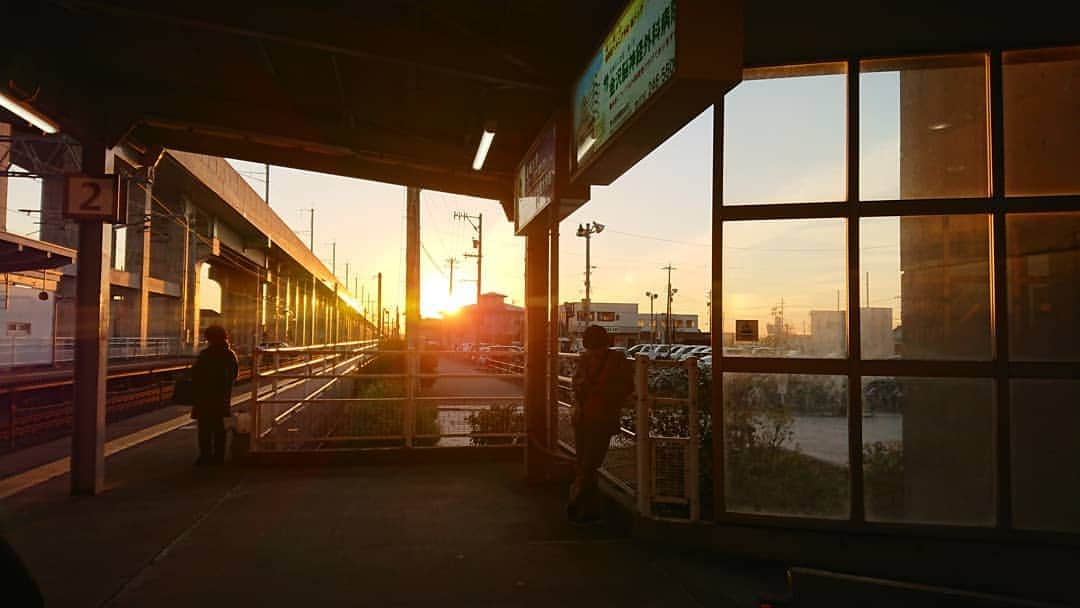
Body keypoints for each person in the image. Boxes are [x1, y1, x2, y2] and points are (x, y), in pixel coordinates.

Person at [568, 325, 634, 524]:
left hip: (601, 418)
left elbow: (626, 387)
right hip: (586, 417)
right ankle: (589, 510)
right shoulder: (587, 359)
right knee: (585, 464)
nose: (594, 353)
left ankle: (576, 500)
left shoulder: (616, 360)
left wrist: (597, 390)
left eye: (596, 349)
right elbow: (576, 381)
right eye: (591, 349)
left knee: (589, 464)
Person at [190, 325, 239, 466]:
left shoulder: (206, 355)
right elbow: (234, 375)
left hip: (205, 397)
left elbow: (196, 375)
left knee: (204, 428)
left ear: (209, 338)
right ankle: (219, 457)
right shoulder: (230, 355)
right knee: (219, 427)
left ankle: (205, 457)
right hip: (222, 397)